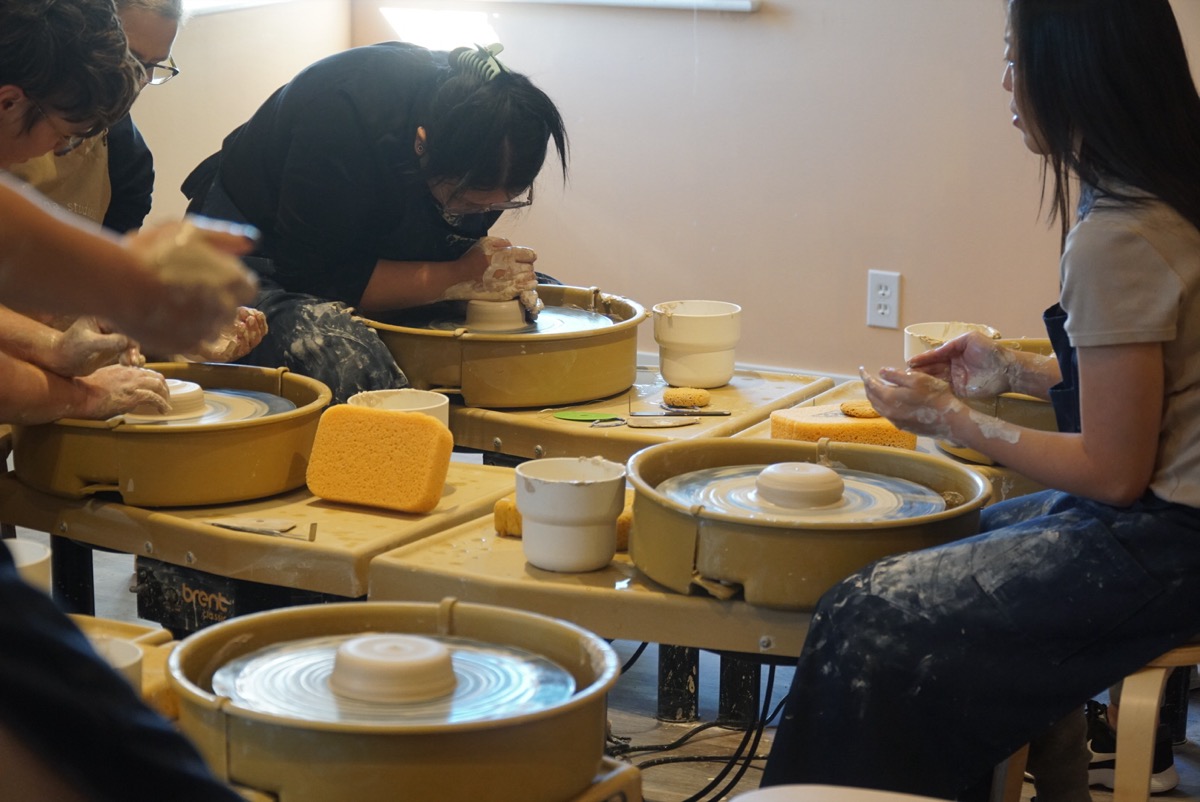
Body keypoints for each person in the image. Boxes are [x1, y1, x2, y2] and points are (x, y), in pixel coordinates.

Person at [761, 1, 1200, 800]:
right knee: (939, 539)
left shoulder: (1122, 232)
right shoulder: (1167, 188)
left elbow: (1114, 471)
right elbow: (1162, 389)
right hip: (1168, 521)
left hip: (1173, 544)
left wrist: (951, 417)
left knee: (870, 616)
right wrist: (1014, 371)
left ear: (1074, 71)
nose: (1005, 79)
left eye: (1014, 56)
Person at [0, 3, 256, 797]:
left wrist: (62, 345)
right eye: (61, 138)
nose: (56, 158)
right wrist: (81, 391)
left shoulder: (122, 155)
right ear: (8, 100)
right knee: (98, 745)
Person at [184, 41, 569, 402]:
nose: (483, 213)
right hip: (252, 258)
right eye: (467, 201)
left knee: (545, 305)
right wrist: (458, 276)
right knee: (348, 359)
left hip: (359, 256)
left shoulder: (493, 120)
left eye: (503, 203)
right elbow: (318, 276)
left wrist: (479, 271)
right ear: (422, 144)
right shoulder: (340, 114)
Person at [7, 0, 268, 365]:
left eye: (150, 67)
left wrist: (166, 325)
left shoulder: (127, 158)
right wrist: (132, 279)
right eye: (129, 59)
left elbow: (89, 305)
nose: (137, 81)